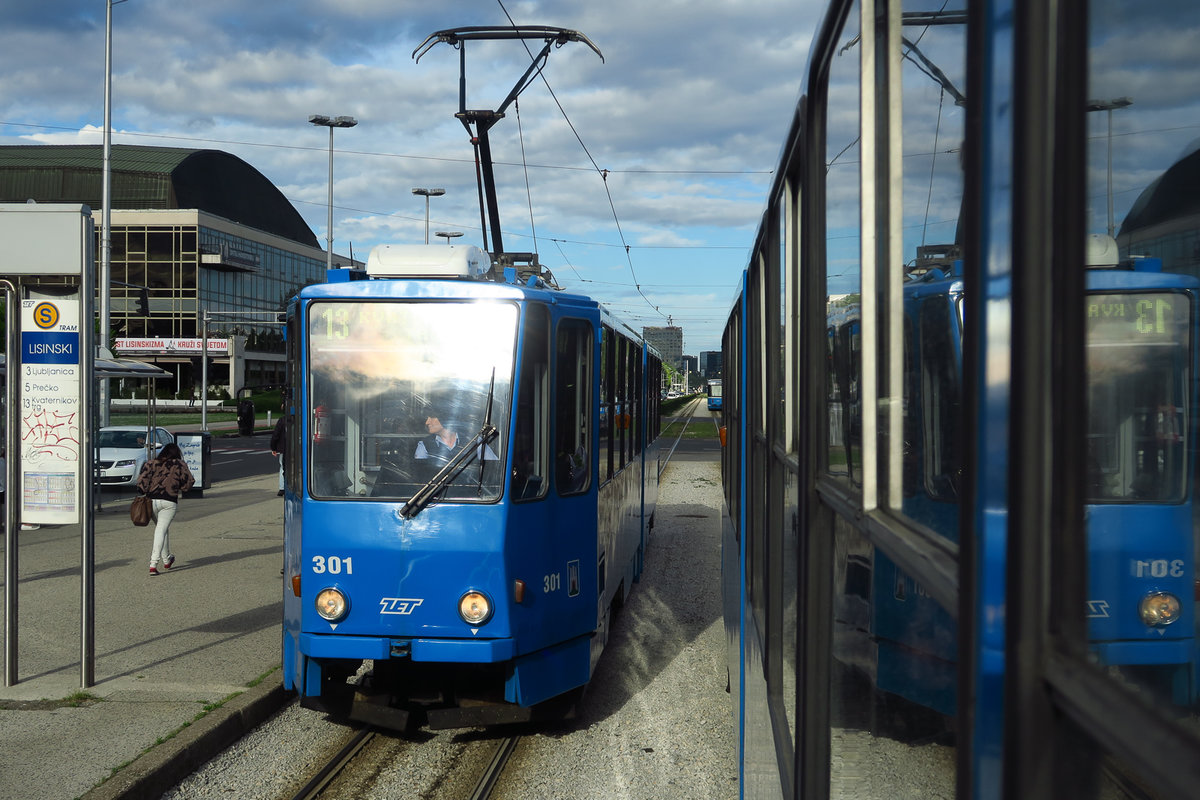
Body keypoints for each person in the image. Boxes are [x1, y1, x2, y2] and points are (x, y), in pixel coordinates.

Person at [136, 442, 195, 576]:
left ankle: (167, 559)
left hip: (151, 501)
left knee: (162, 529)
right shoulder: (179, 464)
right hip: (169, 501)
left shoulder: (151, 463)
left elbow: (141, 483)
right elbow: (189, 483)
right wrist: (179, 487)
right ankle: (153, 564)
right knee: (161, 530)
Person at [270, 409, 286, 497]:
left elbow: (276, 435)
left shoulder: (282, 420)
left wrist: (273, 448)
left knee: (283, 467)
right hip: (297, 448)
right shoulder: (300, 419)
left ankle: (282, 488)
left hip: (284, 448)